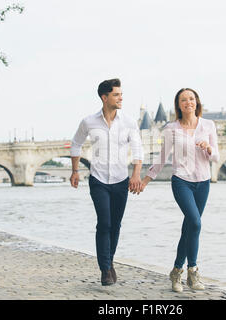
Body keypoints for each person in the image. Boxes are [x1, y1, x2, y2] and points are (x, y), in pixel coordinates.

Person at [140, 88, 220, 293]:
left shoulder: (208, 125)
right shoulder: (171, 129)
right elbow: (162, 157)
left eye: (191, 99)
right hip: (181, 181)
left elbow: (216, 156)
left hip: (203, 182)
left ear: (197, 102)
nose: (188, 103)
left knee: (189, 228)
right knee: (195, 222)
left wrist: (208, 148)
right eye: (183, 100)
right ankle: (193, 271)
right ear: (179, 105)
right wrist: (145, 180)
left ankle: (176, 271)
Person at [70, 78, 143, 286]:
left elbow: (138, 149)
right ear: (105, 97)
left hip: (121, 180)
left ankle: (109, 261)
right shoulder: (88, 122)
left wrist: (136, 174)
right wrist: (75, 171)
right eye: (116, 94)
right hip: (98, 179)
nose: (121, 98)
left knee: (116, 225)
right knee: (104, 223)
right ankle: (105, 269)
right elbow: (76, 144)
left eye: (121, 94)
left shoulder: (129, 122)